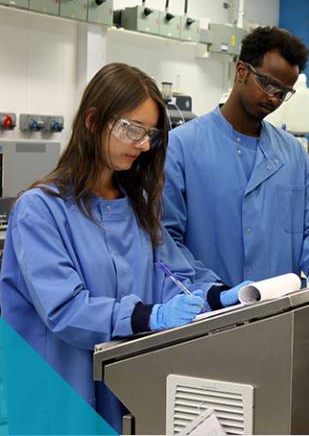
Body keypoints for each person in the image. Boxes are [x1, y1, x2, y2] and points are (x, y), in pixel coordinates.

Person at [0, 63, 244, 432]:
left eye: (151, 134)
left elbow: (172, 276)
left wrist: (217, 297)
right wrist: (149, 317)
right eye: (133, 129)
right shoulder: (40, 210)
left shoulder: (136, 205)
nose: (144, 144)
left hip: (128, 390)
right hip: (60, 397)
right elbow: (66, 309)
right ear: (93, 121)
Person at [162, 26, 309, 290]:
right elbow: (166, 238)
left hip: (279, 310)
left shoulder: (292, 153)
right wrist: (211, 291)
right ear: (241, 71)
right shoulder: (181, 147)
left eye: (283, 93)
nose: (273, 98)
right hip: (210, 314)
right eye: (267, 84)